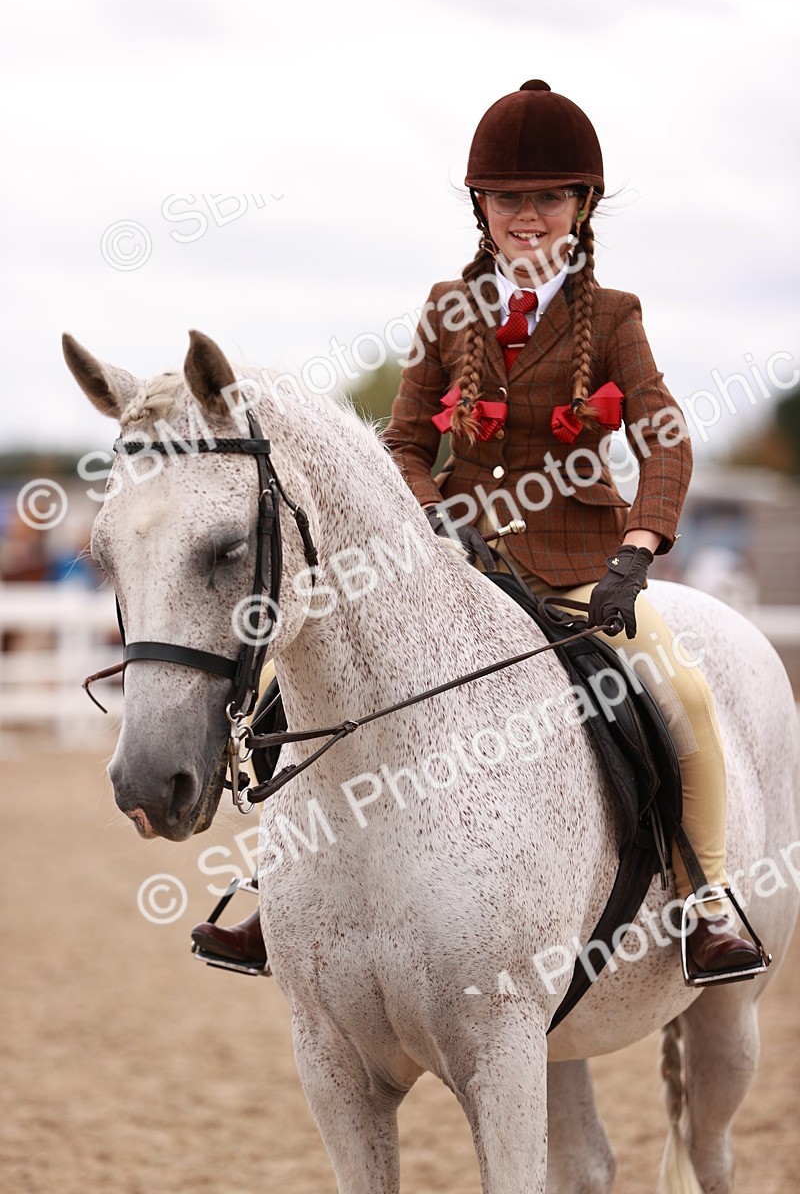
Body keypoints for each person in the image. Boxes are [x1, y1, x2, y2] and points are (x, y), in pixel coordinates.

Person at [193, 79, 761, 978]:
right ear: (481, 207)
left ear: (582, 206)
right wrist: (430, 519)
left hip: (579, 565)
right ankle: (281, 890)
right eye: (509, 198)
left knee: (682, 696)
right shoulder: (445, 308)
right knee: (297, 690)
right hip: (453, 565)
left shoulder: (614, 318)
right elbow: (406, 443)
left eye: (547, 198)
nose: (527, 216)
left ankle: (705, 903)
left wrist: (638, 550)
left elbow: (667, 441)